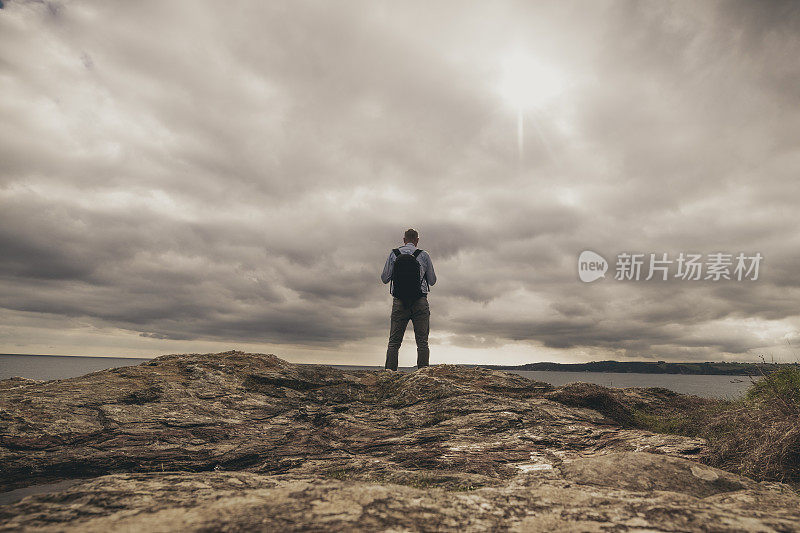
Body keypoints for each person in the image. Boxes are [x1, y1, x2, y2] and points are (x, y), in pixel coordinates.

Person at [380, 228, 437, 370]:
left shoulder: (394, 254)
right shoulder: (424, 255)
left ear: (404, 240)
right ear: (417, 240)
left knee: (394, 342)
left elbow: (384, 279)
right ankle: (423, 376)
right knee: (422, 342)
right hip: (420, 301)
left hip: (399, 301)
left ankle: (389, 375)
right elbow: (432, 281)